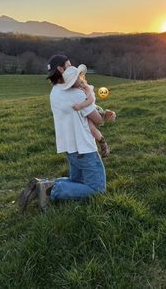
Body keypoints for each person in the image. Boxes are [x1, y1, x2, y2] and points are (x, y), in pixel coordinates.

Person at [18, 54, 116, 211]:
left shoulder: (54, 93)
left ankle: (43, 184)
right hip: (84, 148)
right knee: (97, 188)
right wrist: (103, 112)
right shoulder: (77, 94)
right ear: (61, 69)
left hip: (70, 149)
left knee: (78, 182)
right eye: (69, 66)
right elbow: (98, 120)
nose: (72, 69)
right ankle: (52, 190)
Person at [63, 64, 110, 158]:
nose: (77, 82)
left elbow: (91, 100)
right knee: (86, 127)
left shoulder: (85, 87)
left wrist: (80, 106)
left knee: (90, 126)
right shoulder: (75, 90)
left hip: (94, 107)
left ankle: (102, 143)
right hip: (87, 109)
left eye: (78, 79)